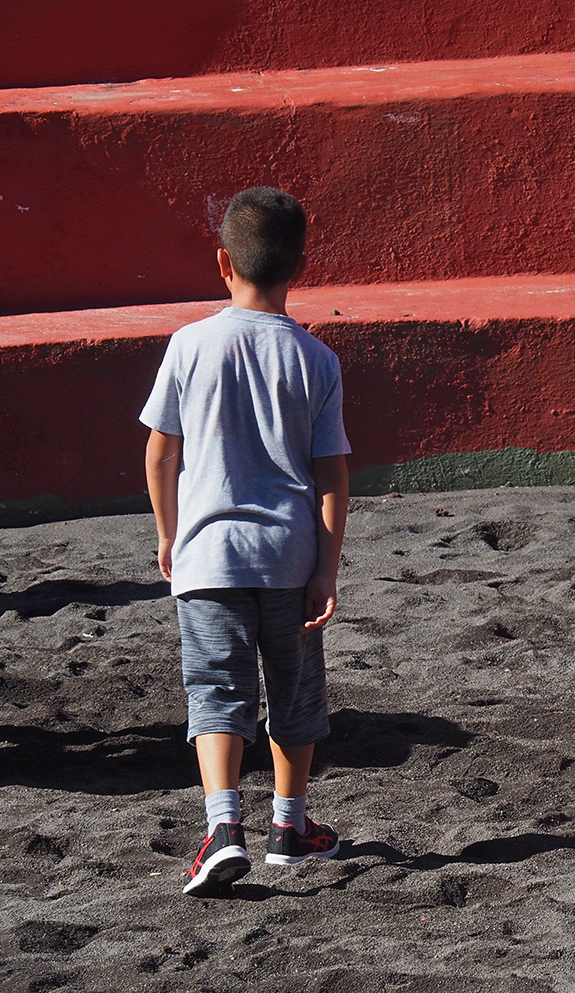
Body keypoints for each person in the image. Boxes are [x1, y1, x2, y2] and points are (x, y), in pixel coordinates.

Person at [140, 186, 351, 895]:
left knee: (216, 692)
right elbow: (331, 476)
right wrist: (326, 569)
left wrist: (169, 533)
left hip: (208, 555)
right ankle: (289, 826)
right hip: (289, 558)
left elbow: (160, 452)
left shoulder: (189, 345)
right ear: (299, 267)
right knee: (296, 693)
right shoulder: (317, 359)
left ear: (223, 262)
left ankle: (223, 828)